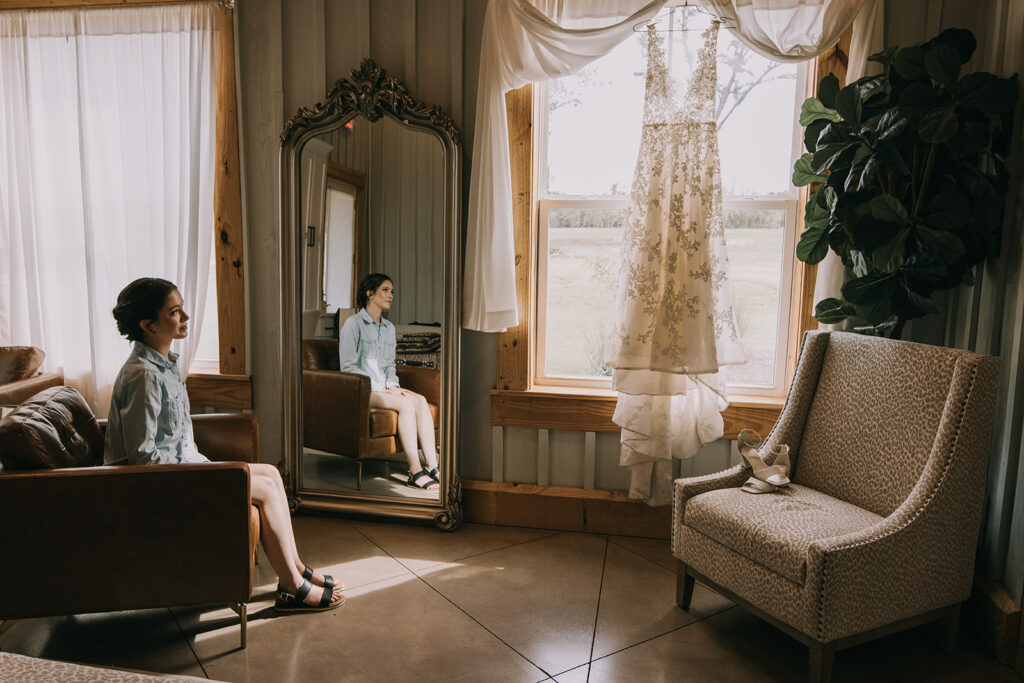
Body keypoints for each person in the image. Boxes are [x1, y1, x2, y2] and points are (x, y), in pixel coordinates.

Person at [106, 277, 344, 613]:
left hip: (183, 470)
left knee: (271, 474)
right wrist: (204, 473)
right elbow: (143, 455)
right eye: (175, 312)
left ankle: (297, 568)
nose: (185, 317)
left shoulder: (165, 365)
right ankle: (291, 586)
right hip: (154, 484)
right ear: (148, 324)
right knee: (259, 485)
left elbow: (176, 439)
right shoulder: (142, 375)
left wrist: (204, 467)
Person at [339, 273, 440, 491]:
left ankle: (433, 465)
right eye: (385, 290)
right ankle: (415, 470)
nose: (391, 295)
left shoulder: (389, 329)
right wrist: (382, 390)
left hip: (384, 388)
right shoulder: (352, 324)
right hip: (362, 390)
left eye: (392, 291)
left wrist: (393, 386)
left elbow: (388, 366)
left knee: (420, 400)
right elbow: (348, 368)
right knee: (405, 405)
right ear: (369, 293)